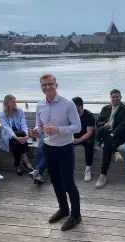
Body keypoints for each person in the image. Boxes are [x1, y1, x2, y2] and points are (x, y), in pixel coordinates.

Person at [31, 73, 82, 231]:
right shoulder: (40, 106)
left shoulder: (68, 104)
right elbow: (40, 127)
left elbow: (77, 127)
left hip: (65, 148)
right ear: (41, 87)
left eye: (50, 84)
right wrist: (36, 131)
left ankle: (76, 215)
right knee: (55, 182)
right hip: (48, 148)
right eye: (44, 85)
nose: (47, 87)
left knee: (68, 183)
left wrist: (58, 130)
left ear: (56, 85)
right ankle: (64, 209)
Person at [95, 89, 125, 189]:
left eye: (117, 97)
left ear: (120, 97)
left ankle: (103, 175)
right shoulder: (105, 108)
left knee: (107, 145)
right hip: (106, 133)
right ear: (110, 98)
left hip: (119, 135)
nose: (115, 99)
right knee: (103, 130)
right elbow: (98, 123)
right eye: (113, 97)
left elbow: (123, 126)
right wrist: (104, 124)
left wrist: (112, 134)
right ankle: (116, 153)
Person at [0, 94, 33, 176]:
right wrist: (16, 137)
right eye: (12, 102)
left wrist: (25, 135)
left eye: (15, 101)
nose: (15, 103)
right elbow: (7, 129)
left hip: (19, 134)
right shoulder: (2, 114)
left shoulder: (20, 111)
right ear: (7, 103)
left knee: (16, 144)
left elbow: (24, 124)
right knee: (17, 139)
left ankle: (17, 166)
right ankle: (26, 161)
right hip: (8, 135)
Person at [72, 97, 96, 182]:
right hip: (75, 134)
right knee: (63, 143)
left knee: (89, 143)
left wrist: (79, 140)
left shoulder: (89, 116)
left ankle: (88, 169)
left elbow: (89, 132)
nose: (73, 109)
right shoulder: (71, 115)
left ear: (81, 106)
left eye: (75, 107)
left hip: (86, 135)